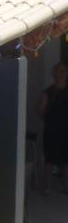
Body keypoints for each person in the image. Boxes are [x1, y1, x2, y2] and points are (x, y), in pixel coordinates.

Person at [39, 62, 68, 194]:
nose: (62, 74)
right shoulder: (49, 92)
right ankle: (47, 187)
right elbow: (41, 111)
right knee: (49, 159)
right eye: (60, 71)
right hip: (51, 130)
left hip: (66, 131)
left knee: (66, 160)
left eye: (64, 71)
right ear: (54, 74)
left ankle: (66, 186)